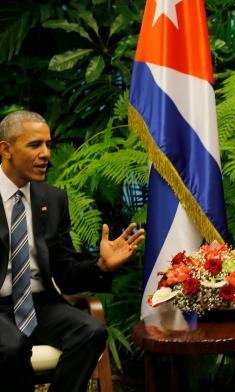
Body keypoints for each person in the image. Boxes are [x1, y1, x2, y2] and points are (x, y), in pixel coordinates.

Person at [0, 111, 145, 392]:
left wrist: (100, 266)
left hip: (39, 305)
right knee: (13, 348)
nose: (46, 154)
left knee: (91, 331)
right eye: (34, 145)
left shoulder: (52, 199)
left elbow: (65, 273)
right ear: (6, 149)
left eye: (48, 144)